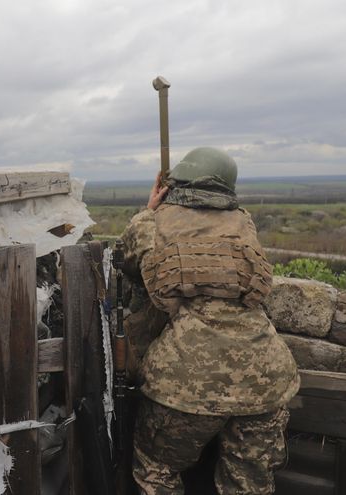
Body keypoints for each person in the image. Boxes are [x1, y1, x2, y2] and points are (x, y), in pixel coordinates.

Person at [120, 147, 299, 495]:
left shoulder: (153, 223)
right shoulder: (243, 221)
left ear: (174, 183)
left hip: (186, 383)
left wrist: (149, 210)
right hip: (265, 378)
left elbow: (126, 261)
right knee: (248, 484)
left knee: (157, 470)